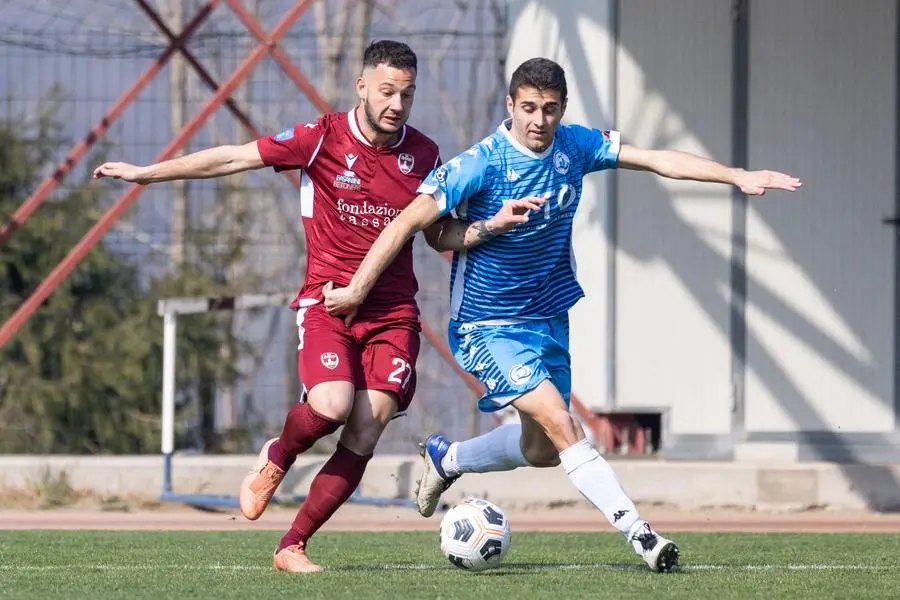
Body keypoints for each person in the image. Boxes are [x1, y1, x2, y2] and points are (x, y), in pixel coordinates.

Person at [322, 57, 802, 573]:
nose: (538, 120)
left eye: (549, 110)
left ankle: (449, 459)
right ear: (510, 106)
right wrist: (356, 290)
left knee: (543, 449)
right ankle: (642, 535)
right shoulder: (480, 163)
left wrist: (736, 176)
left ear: (562, 109)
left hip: (548, 319)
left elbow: (659, 160)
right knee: (562, 422)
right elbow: (407, 223)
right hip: (488, 326)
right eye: (528, 108)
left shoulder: (575, 146)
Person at [93, 39, 530, 574]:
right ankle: (278, 456)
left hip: (393, 314)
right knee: (329, 406)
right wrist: (147, 173)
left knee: (367, 428)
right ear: (362, 86)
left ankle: (292, 545)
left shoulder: (426, 155)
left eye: (407, 94)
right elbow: (234, 157)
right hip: (328, 305)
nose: (397, 104)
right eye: (388, 91)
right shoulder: (320, 138)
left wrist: (490, 226)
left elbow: (440, 234)